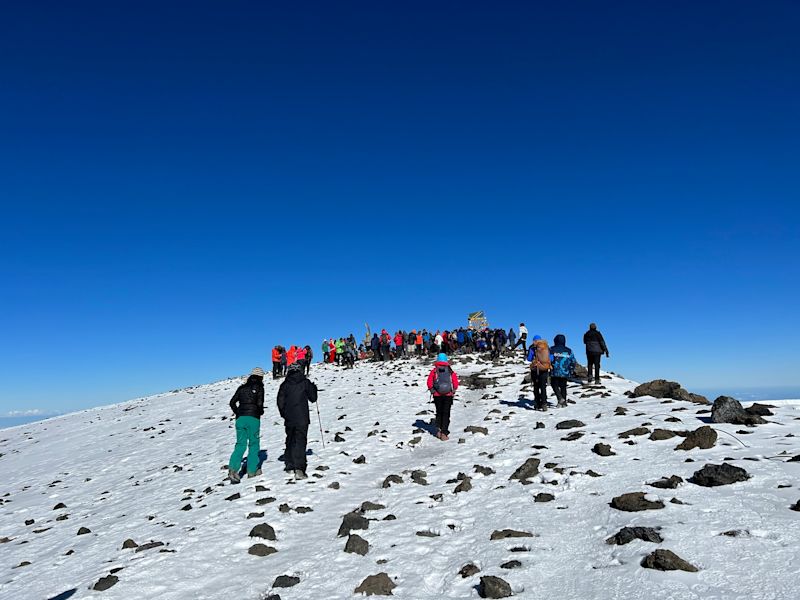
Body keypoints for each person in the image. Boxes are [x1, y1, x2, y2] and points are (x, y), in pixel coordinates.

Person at [277, 362, 319, 479]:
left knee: (290, 439)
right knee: (300, 441)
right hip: (302, 418)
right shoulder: (305, 382)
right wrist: (313, 388)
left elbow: (280, 401)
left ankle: (290, 466)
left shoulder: (285, 384)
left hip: (289, 418)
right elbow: (313, 398)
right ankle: (299, 469)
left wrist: (284, 414)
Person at [227, 367, 265, 482]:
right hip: (253, 419)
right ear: (261, 377)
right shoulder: (260, 388)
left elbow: (232, 402)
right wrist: (260, 411)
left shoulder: (242, 387)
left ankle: (233, 470)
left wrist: (238, 412)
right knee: (254, 444)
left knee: (240, 444)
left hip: (240, 419)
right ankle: (252, 471)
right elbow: (259, 404)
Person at [426, 352, 459, 441]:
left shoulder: (434, 370)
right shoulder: (450, 370)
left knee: (439, 412)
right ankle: (444, 433)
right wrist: (453, 390)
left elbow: (429, 382)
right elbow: (455, 382)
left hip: (437, 395)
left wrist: (433, 391)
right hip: (448, 395)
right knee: (446, 413)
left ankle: (439, 430)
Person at [549, 334, 576, 407]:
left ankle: (560, 398)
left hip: (555, 371)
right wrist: (571, 370)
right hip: (565, 372)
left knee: (554, 384)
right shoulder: (569, 350)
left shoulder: (552, 349)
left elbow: (549, 359)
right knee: (563, 387)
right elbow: (573, 361)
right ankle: (564, 402)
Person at [529, 335, 551, 410]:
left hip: (535, 370)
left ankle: (537, 404)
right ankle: (544, 403)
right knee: (543, 387)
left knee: (536, 387)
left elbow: (529, 358)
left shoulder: (532, 348)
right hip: (544, 370)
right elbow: (551, 358)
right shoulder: (546, 347)